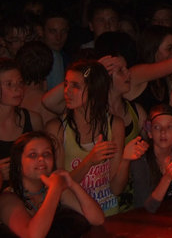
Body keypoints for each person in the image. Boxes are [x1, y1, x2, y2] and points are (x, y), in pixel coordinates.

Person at [44, 59, 148, 216]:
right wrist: (90, 160)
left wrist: (126, 159)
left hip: (109, 213)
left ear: (95, 90)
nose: (67, 91)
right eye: (66, 84)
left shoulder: (114, 124)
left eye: (75, 86)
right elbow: (58, 187)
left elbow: (116, 189)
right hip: (76, 217)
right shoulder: (57, 128)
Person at [0, 131, 105, 238]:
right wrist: (54, 190)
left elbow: (98, 219)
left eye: (46, 154)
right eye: (33, 155)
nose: (41, 158)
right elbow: (33, 235)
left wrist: (72, 183)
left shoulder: (56, 189)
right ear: (18, 163)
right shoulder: (7, 198)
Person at [0, 59, 43, 190]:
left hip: (28, 192)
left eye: (20, 83)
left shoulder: (33, 119)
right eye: (9, 84)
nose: (17, 89)